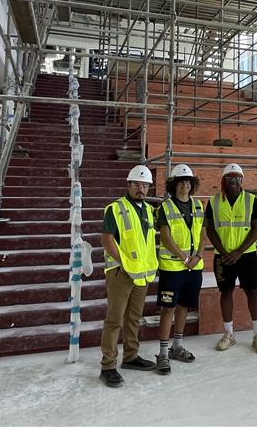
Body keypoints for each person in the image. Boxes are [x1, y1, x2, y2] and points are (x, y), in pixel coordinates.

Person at [99, 165, 158, 388]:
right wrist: (124, 263)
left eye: (145, 185)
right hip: (121, 273)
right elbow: (107, 239)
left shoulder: (149, 211)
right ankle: (108, 366)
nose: (141, 188)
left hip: (142, 275)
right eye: (137, 184)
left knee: (134, 318)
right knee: (114, 320)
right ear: (128, 185)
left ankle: (131, 356)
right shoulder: (116, 208)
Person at [204, 163, 257, 354]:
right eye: (230, 178)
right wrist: (224, 252)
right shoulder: (213, 201)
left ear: (241, 180)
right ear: (223, 181)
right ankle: (229, 334)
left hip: (246, 255)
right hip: (222, 256)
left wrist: (239, 251)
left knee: (252, 292)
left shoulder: (251, 200)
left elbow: (256, 228)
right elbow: (210, 229)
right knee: (226, 293)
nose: (234, 181)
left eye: (237, 178)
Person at [154, 164, 205, 375]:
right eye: (182, 181)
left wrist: (198, 256)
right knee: (168, 309)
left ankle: (177, 347)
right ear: (174, 184)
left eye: (188, 181)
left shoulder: (199, 205)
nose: (185, 184)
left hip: (194, 267)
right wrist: (184, 257)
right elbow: (165, 237)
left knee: (184, 306)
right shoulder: (165, 208)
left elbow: (203, 234)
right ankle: (163, 353)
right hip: (172, 268)